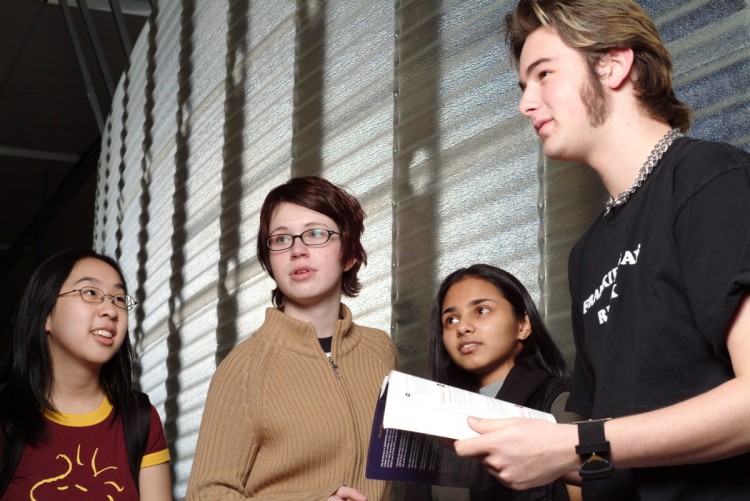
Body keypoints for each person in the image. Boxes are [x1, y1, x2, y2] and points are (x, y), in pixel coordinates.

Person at [453, 1, 750, 499]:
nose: (526, 103)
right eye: (523, 86)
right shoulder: (587, 256)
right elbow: (606, 448)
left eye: (543, 74)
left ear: (613, 63)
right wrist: (525, 450)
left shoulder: (708, 180)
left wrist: (571, 445)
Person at [187, 176, 398, 500]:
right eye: (281, 239)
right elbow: (206, 495)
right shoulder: (243, 369)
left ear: (349, 254)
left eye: (316, 234)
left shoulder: (379, 349)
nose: (297, 250)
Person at [0, 248, 172, 500]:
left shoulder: (141, 418)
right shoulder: (6, 417)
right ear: (45, 314)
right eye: (90, 292)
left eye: (119, 299)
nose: (111, 311)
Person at [407, 264, 580, 501]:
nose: (463, 327)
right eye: (451, 319)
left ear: (523, 325)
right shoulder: (436, 419)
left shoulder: (558, 403)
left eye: (481, 310)